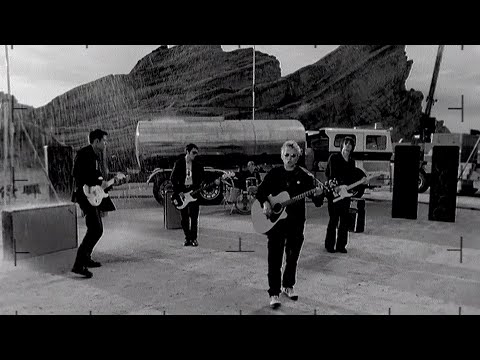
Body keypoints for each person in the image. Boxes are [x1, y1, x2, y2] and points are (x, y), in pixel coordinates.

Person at [255, 140, 325, 309]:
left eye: (293, 156)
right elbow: (260, 192)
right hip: (275, 224)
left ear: (298, 157)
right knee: (275, 259)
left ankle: (288, 286)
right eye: (287, 155)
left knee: (292, 257)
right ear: (282, 156)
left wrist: (319, 194)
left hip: (296, 223)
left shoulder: (304, 176)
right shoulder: (274, 174)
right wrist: (265, 203)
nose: (290, 159)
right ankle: (273, 293)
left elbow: (317, 202)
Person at [71, 129, 110, 278]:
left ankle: (86, 258)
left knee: (96, 229)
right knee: (95, 229)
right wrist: (95, 184)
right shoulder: (84, 154)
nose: (106, 144)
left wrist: (104, 184)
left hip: (91, 196)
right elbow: (78, 175)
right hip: (85, 196)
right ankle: (78, 264)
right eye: (104, 141)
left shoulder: (94, 156)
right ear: (96, 141)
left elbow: (96, 178)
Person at [324, 136, 357, 254]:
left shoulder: (352, 162)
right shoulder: (334, 158)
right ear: (342, 145)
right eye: (346, 143)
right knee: (333, 220)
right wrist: (335, 187)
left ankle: (341, 245)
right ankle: (329, 245)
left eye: (350, 144)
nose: (348, 146)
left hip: (346, 194)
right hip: (334, 193)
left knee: (344, 221)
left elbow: (352, 178)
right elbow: (330, 174)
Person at [170, 143, 206, 247]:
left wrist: (201, 185)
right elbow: (173, 178)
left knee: (194, 217)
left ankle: (194, 238)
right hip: (182, 191)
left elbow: (202, 177)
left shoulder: (197, 164)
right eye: (193, 153)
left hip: (193, 191)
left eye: (196, 153)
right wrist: (179, 191)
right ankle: (187, 238)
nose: (195, 155)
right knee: (184, 218)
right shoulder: (179, 163)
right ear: (187, 152)